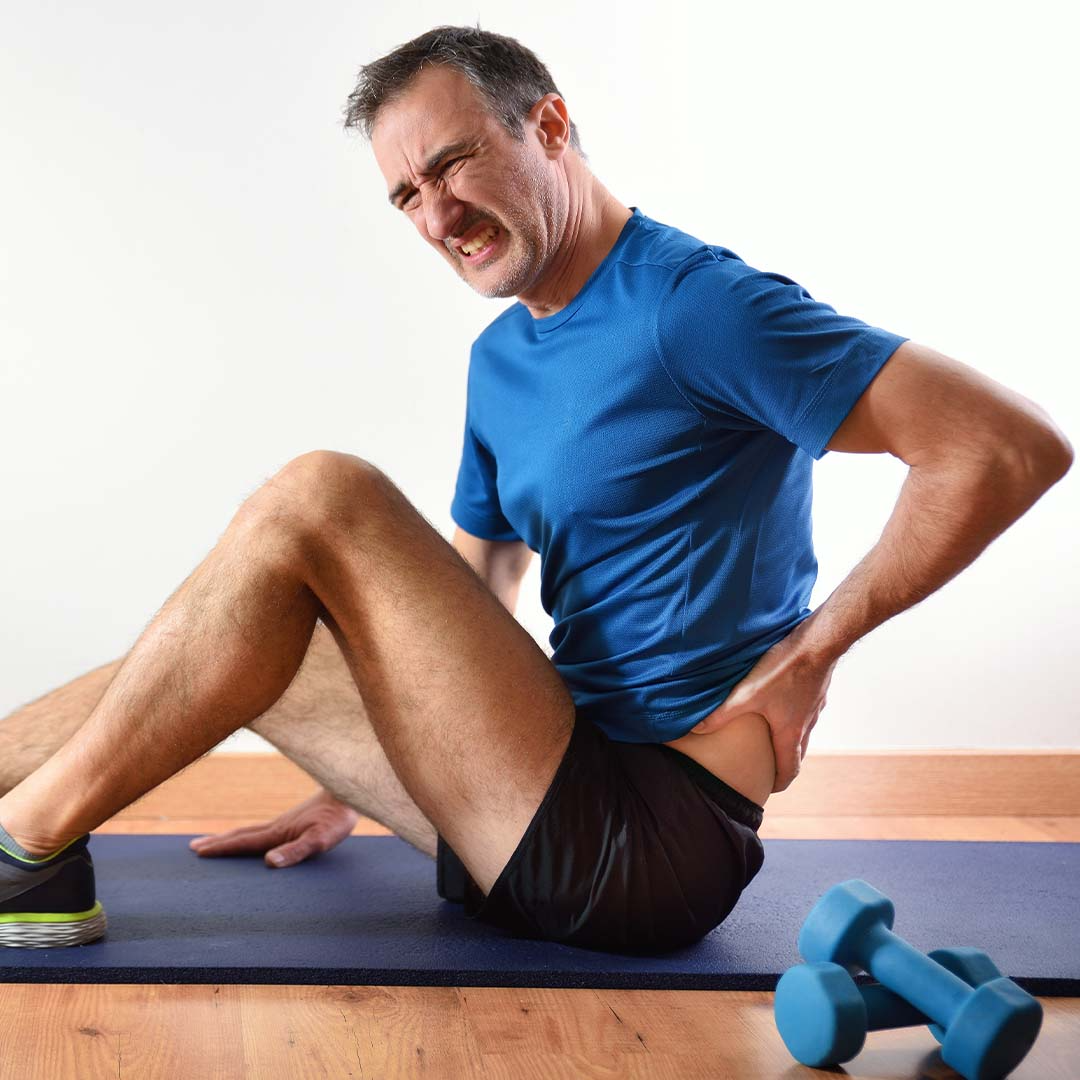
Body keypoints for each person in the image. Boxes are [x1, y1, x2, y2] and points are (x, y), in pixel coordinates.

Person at [0, 25, 1071, 955]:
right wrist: (353, 782)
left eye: (454, 164)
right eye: (407, 195)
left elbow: (1004, 447)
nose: (436, 216)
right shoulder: (501, 361)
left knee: (320, 491)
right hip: (529, 800)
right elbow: (467, 609)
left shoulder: (696, 307)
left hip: (649, 842)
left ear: (549, 127)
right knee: (261, 626)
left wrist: (817, 648)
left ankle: (26, 853)